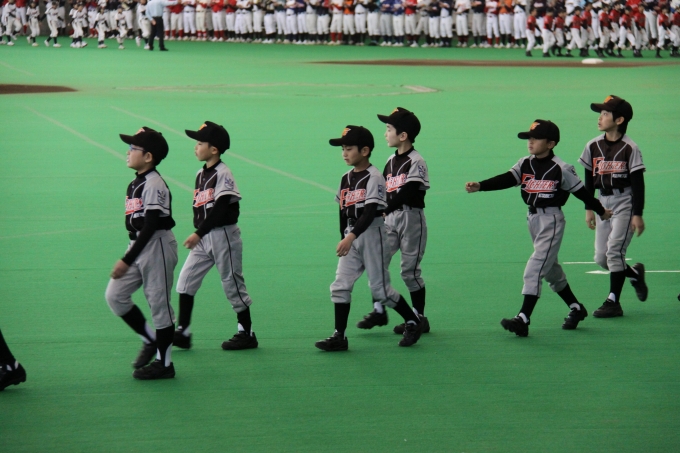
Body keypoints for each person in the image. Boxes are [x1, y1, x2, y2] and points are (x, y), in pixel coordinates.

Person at [465, 119, 612, 337]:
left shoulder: (561, 168)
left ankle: (523, 318)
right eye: (529, 138)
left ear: (551, 144)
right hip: (532, 219)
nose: (530, 142)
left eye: (536, 138)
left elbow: (582, 193)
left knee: (534, 268)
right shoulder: (525, 163)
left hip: (551, 221)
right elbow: (508, 178)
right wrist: (481, 186)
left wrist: (601, 211)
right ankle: (576, 307)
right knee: (550, 269)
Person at [315, 125, 424, 351]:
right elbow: (343, 211)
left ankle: (413, 322)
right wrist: (344, 235)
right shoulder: (345, 178)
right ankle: (339, 336)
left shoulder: (374, 177)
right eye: (343, 149)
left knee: (381, 291)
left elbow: (370, 211)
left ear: (364, 151)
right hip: (352, 236)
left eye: (349, 149)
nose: (344, 153)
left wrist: (350, 237)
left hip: (372, 234)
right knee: (340, 286)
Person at [174, 122, 258, 351]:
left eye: (200, 142)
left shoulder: (223, 173)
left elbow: (221, 208)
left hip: (224, 237)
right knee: (185, 281)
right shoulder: (200, 174)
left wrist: (198, 232)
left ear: (214, 149)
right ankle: (183, 331)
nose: (196, 146)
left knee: (232, 284)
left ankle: (246, 333)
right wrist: (200, 233)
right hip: (204, 239)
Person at [105, 127, 179, 380]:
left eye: (132, 148)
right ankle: (150, 339)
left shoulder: (154, 183)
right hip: (139, 245)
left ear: (148, 156)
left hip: (157, 245)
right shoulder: (136, 182)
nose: (127, 152)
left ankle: (165, 364)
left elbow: (150, 225)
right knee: (115, 295)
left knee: (159, 304)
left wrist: (127, 260)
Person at [360, 108, 431, 335]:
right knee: (378, 263)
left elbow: (408, 191)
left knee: (409, 272)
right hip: (389, 220)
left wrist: (384, 210)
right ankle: (379, 310)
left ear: (403, 136)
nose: (385, 134)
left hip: (411, 220)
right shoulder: (391, 160)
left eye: (389, 129)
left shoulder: (417, 161)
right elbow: (384, 191)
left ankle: (419, 318)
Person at [579, 95, 648, 318]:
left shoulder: (630, 148)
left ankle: (613, 302)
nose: (600, 117)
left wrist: (637, 214)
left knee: (615, 251)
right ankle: (634, 274)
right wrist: (589, 208)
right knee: (601, 258)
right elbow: (589, 180)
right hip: (602, 203)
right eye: (600, 113)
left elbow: (638, 184)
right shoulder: (592, 145)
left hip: (624, 202)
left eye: (605, 114)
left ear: (619, 120)